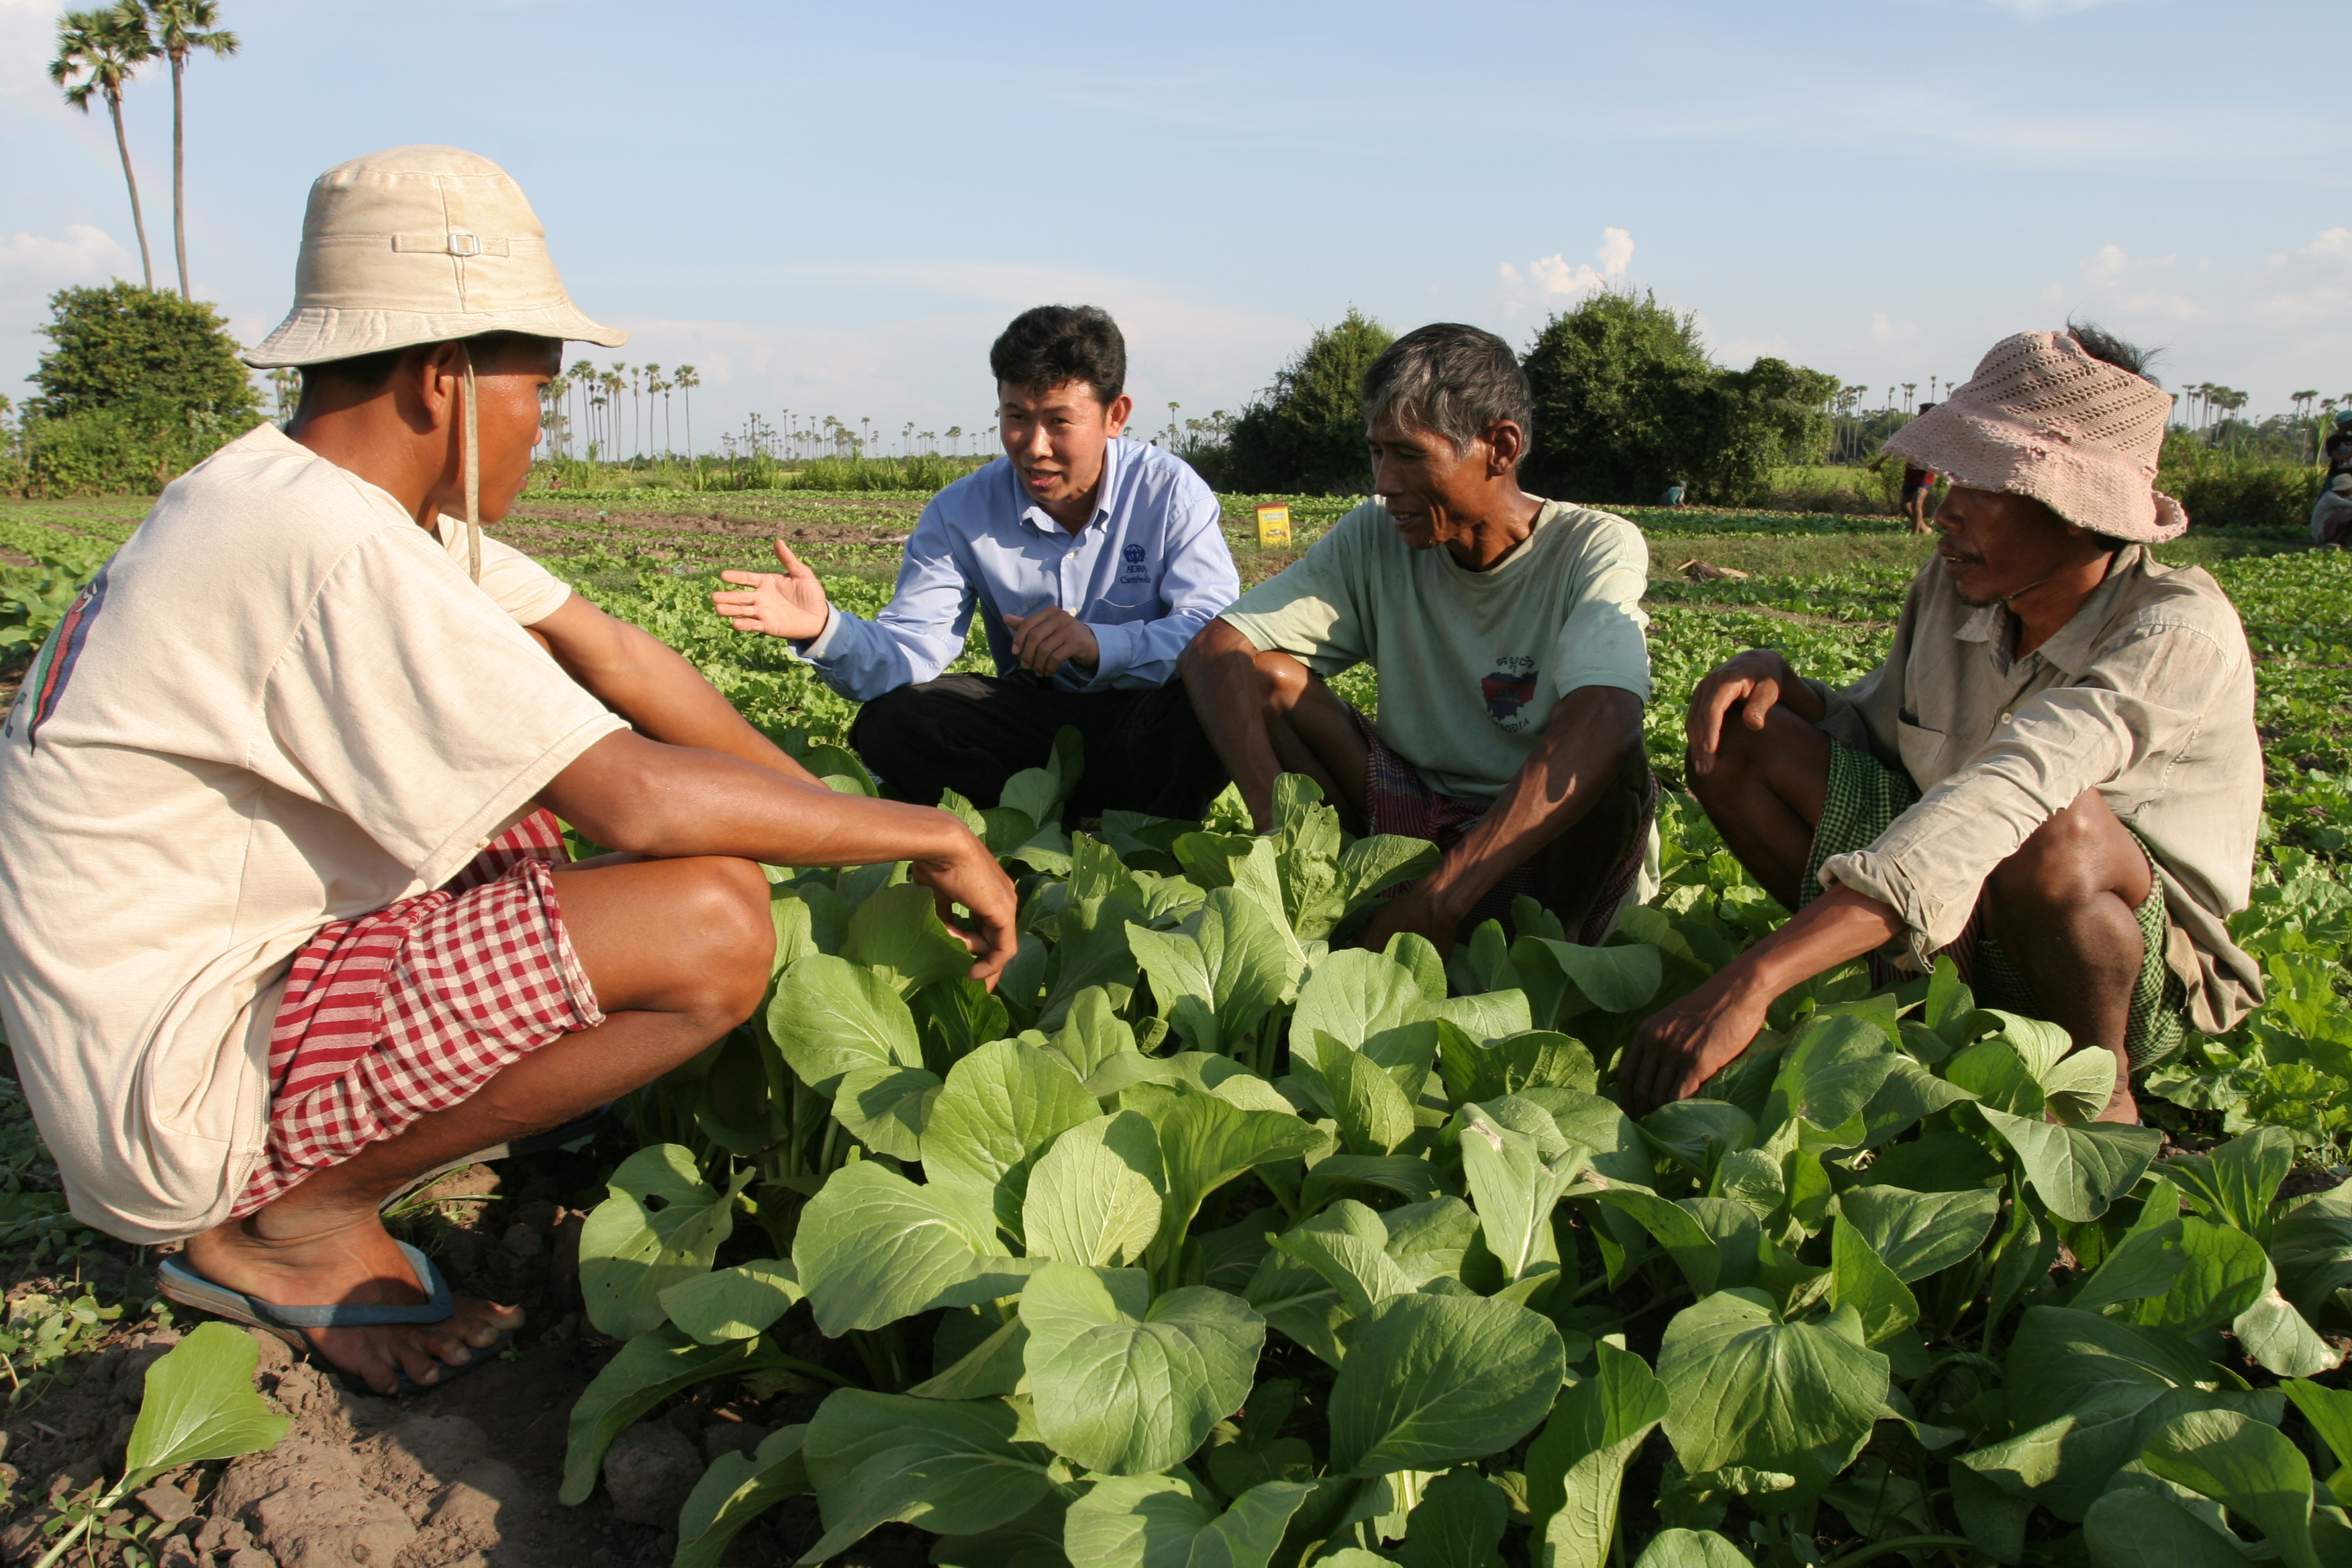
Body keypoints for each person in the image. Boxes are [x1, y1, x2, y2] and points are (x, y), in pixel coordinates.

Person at [0, 146, 1015, 1395]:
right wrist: (928, 835)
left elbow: (620, 656)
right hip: (175, 1088)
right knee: (706, 922)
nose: (544, 420)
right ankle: (292, 1224)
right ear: (444, 380)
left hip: (163, 1010)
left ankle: (340, 1156)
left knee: (522, 823)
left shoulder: (318, 504)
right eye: (539, 388)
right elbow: (633, 795)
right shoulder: (321, 543)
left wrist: (838, 818)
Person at [1622, 326, 2262, 1125]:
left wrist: (1752, 979)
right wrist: (1796, 694)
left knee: (2057, 824)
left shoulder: (2176, 632)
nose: (1948, 508)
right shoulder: (1956, 590)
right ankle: (1921, 1002)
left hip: (2128, 974)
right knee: (1745, 735)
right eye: (1955, 474)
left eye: (1985, 483)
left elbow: (2012, 790)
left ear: (2078, 513)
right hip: (1961, 924)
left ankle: (2100, 1099)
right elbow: (1880, 732)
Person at [1181, 323, 1657, 952]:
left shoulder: (1592, 546)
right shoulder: (1376, 535)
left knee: (1616, 763)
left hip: (1536, 835)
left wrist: (1443, 897)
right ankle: (1341, 893)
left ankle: (1554, 950)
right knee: (1267, 677)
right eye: (1377, 453)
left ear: (1501, 448)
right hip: (1414, 812)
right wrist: (1272, 824)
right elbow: (1216, 649)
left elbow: (1606, 713)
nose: (1383, 481)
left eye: (1409, 455)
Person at [711, 307, 1238, 820]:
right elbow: (913, 647)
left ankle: (1138, 822)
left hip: (1143, 714)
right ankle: (1019, 827)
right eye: (1016, 419)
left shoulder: (1169, 492)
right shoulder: (960, 511)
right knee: (894, 723)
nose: (1035, 447)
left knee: (1216, 703)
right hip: (1034, 716)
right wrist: (826, 629)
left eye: (1059, 422)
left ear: (1114, 416)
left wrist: (1102, 645)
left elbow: (1217, 635)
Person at [1870, 403, 1940, 534]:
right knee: (1904, 505)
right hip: (1911, 470)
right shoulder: (1912, 430)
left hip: (1925, 472)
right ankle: (1924, 529)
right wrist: (1879, 463)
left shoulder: (1936, 432)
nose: (1919, 415)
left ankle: (1914, 534)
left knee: (1917, 502)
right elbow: (1895, 445)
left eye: (1922, 412)